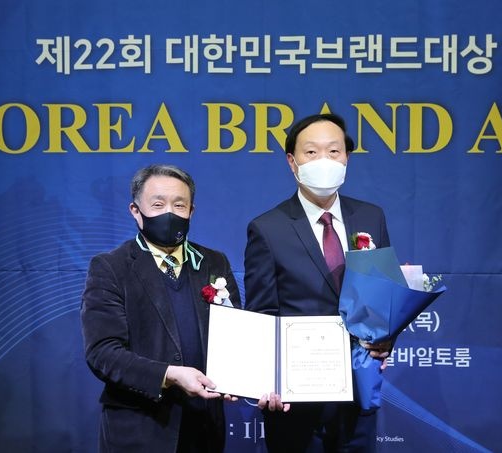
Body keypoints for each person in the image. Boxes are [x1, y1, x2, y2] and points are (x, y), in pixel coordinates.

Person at [244, 113, 392, 452]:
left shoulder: (371, 216)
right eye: (311, 152)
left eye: (333, 151)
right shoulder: (268, 228)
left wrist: (387, 339)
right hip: (297, 403)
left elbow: (383, 296)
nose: (324, 160)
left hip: (358, 394)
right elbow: (262, 313)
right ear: (292, 162)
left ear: (347, 158)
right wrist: (267, 379)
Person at [81, 164, 241, 453]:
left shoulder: (214, 263)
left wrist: (247, 380)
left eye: (179, 205)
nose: (170, 213)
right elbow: (103, 352)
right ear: (135, 211)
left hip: (204, 427)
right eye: (158, 204)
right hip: (140, 429)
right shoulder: (110, 267)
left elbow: (235, 338)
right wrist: (169, 374)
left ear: (191, 211)